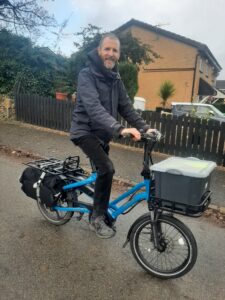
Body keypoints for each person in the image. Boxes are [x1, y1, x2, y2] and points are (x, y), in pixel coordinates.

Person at [70, 33, 156, 239]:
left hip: (102, 134)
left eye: (114, 50)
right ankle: (96, 218)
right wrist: (120, 129)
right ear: (99, 51)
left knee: (102, 173)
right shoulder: (86, 75)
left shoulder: (116, 79)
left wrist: (145, 128)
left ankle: (98, 206)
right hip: (84, 132)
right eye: (106, 49)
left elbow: (126, 108)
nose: (110, 53)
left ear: (119, 54)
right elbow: (93, 108)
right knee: (107, 169)